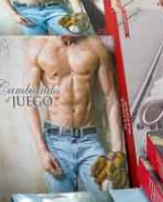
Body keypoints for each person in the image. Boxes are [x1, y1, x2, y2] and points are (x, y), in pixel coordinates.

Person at [24, 36, 126, 193]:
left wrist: (117, 151)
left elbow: (111, 98)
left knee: (107, 194)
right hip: (56, 142)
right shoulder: (39, 48)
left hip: (89, 141)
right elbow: (29, 102)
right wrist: (41, 150)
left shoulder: (95, 46)